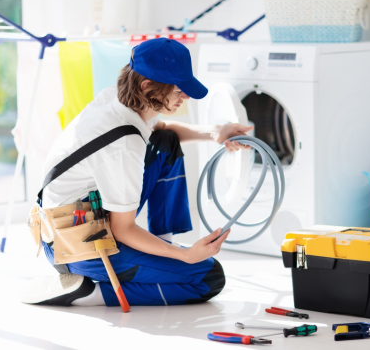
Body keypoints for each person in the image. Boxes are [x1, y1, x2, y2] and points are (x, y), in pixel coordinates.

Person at [21, 38, 252, 307]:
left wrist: (214, 132)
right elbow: (123, 229)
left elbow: (161, 127)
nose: (185, 96)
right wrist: (186, 256)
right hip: (73, 245)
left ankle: (161, 246)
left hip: (72, 216)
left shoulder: (118, 99)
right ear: (147, 86)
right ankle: (88, 292)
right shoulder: (124, 146)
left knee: (165, 141)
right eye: (178, 89)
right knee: (208, 278)